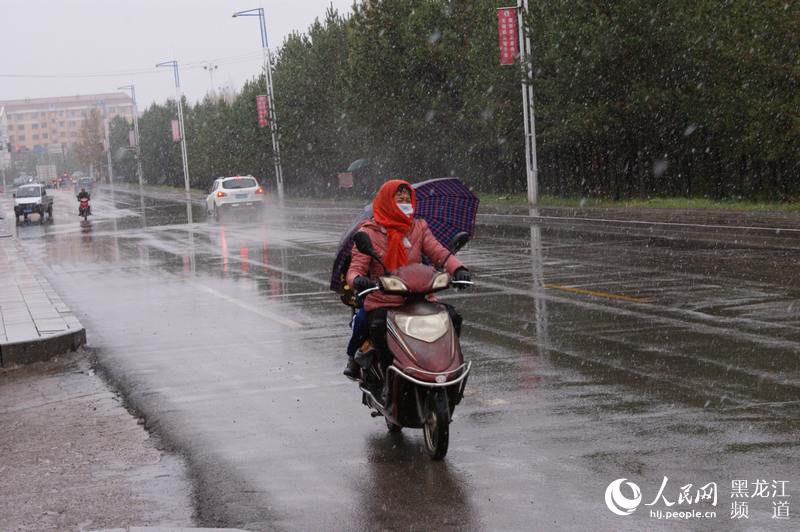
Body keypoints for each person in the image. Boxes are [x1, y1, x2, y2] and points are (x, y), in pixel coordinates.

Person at [343, 179, 471, 378]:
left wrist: (458, 269)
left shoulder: (418, 227)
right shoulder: (369, 232)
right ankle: (386, 374)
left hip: (419, 297)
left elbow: (439, 252)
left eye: (407, 197)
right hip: (383, 299)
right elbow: (355, 268)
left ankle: (447, 371)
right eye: (398, 196)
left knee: (452, 318)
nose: (404, 200)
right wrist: (358, 280)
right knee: (376, 325)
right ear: (386, 200)